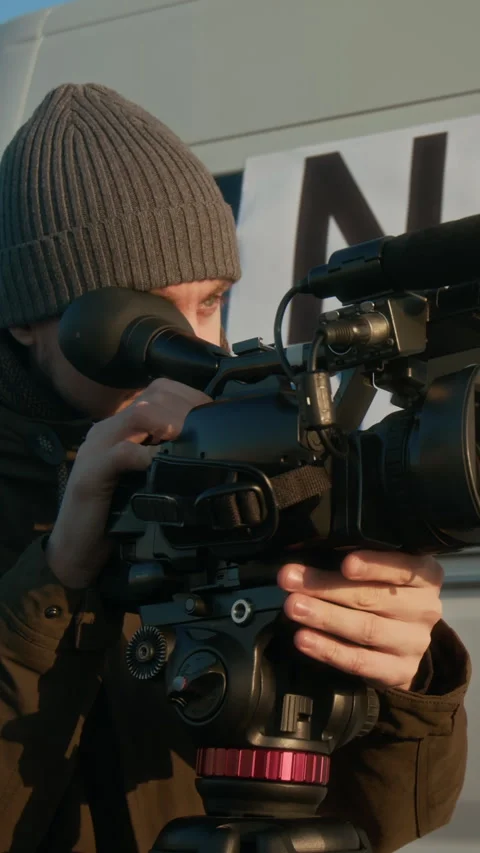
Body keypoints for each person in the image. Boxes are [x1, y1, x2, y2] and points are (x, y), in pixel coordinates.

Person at [0, 83, 469, 853]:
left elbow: (389, 821)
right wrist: (55, 580)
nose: (193, 348)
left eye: (213, 300)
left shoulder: (249, 466)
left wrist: (404, 681)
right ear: (24, 318)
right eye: (137, 318)